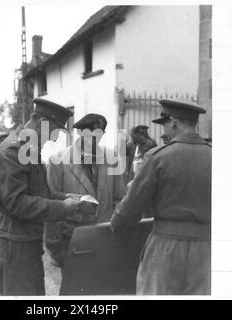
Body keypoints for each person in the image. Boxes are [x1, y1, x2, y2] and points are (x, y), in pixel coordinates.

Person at [111, 98, 211, 295]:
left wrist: (117, 224)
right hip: (207, 252)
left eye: (165, 124)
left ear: (173, 121)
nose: (164, 132)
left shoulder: (158, 157)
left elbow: (130, 211)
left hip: (165, 250)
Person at [0, 98, 82, 296]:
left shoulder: (29, 149)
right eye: (54, 131)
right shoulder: (13, 150)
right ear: (41, 123)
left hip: (25, 242)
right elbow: (17, 203)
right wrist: (62, 208)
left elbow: (39, 193)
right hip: (14, 246)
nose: (54, 138)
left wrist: (65, 197)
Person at [44, 114, 126, 268]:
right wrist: (54, 246)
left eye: (99, 134)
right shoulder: (58, 161)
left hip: (105, 236)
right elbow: (51, 206)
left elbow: (120, 198)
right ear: (80, 133)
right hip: (73, 239)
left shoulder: (112, 159)